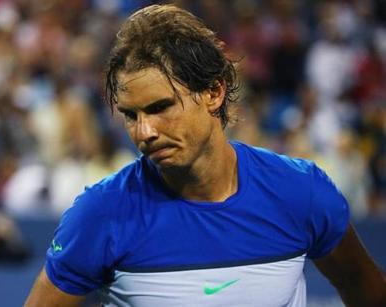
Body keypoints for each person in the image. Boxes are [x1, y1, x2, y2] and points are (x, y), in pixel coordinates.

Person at [25, 4, 386, 307]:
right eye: (131, 115)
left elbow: (364, 289)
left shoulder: (301, 192)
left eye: (160, 107)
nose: (144, 132)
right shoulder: (100, 213)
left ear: (213, 92)